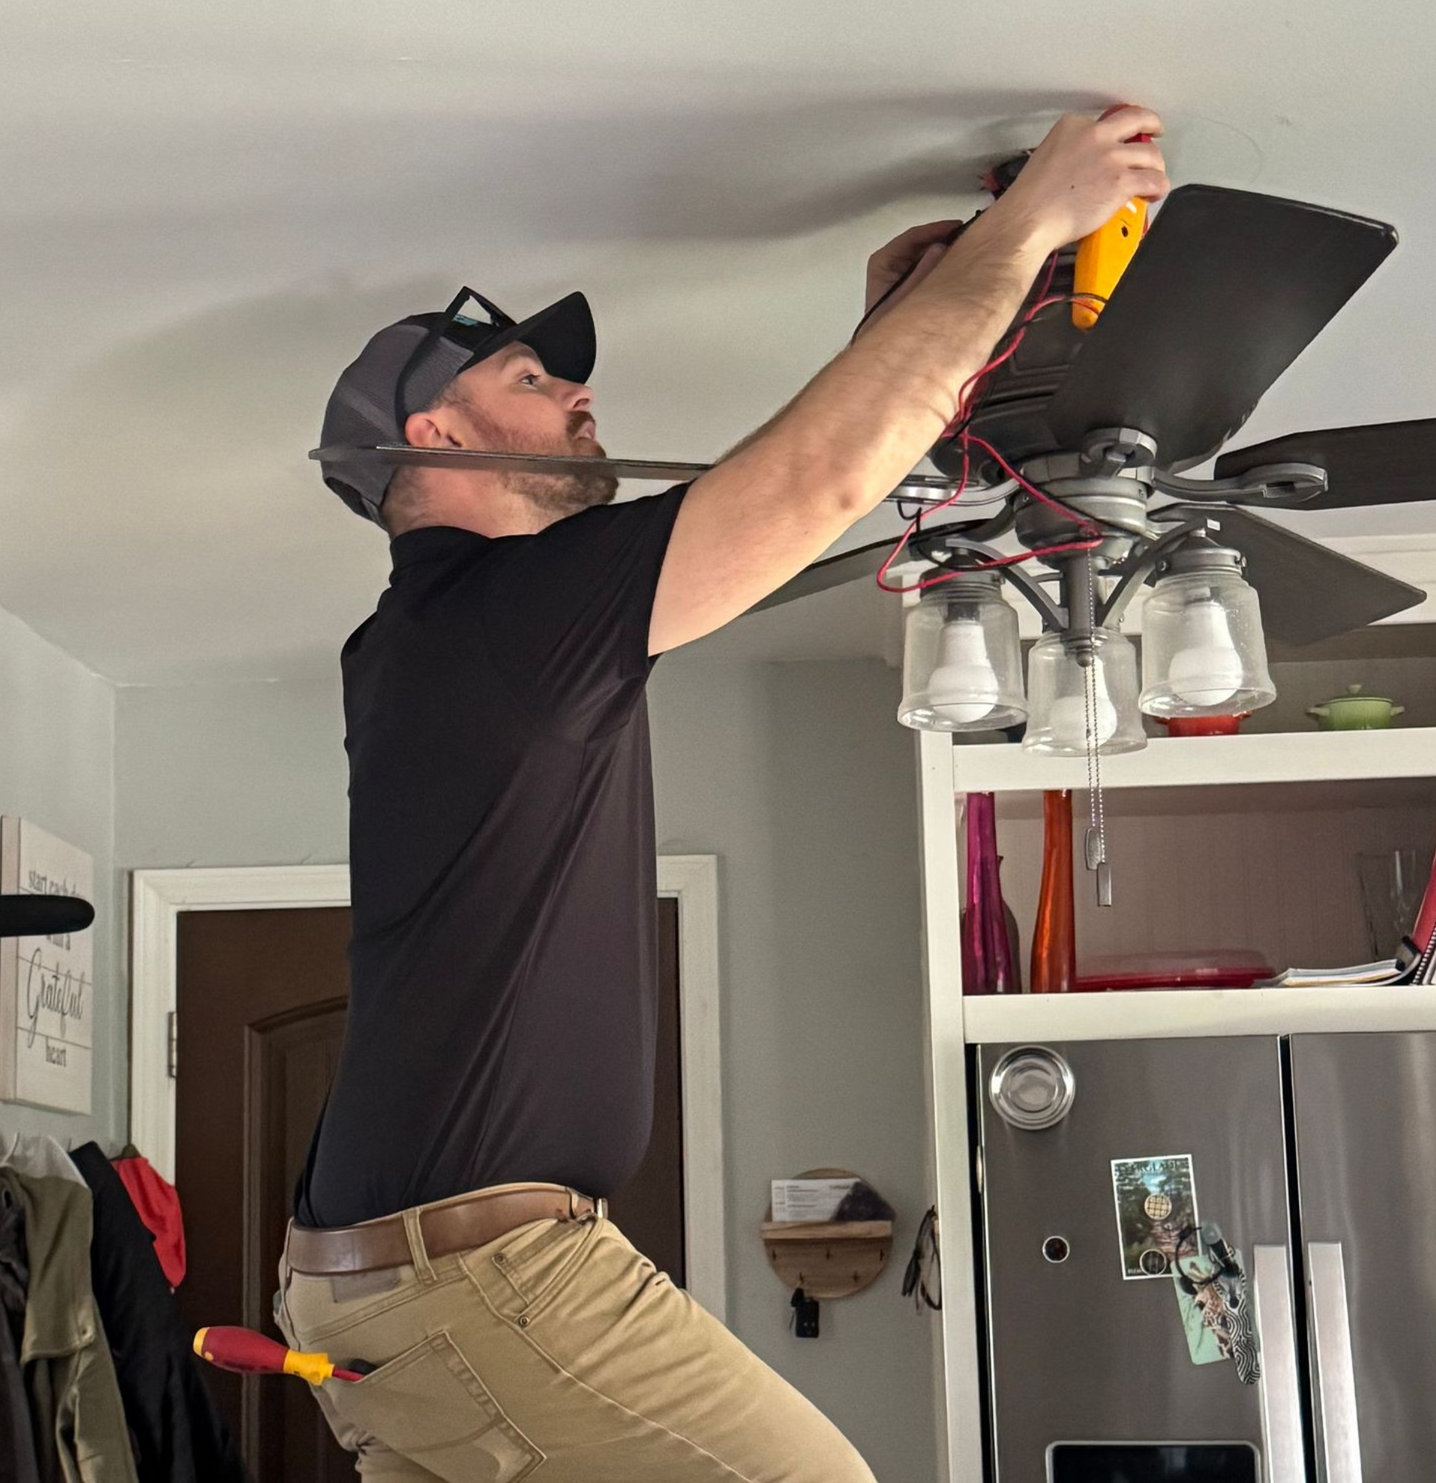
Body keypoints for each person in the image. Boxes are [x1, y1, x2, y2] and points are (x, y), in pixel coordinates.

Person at [281, 106, 1169, 1481]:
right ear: (433, 432)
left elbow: (782, 480)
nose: (583, 398)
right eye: (534, 379)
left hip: (396, 1287)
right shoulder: (500, 617)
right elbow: (815, 480)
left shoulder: (437, 640)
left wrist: (904, 336)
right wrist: (1028, 224)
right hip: (477, 1273)